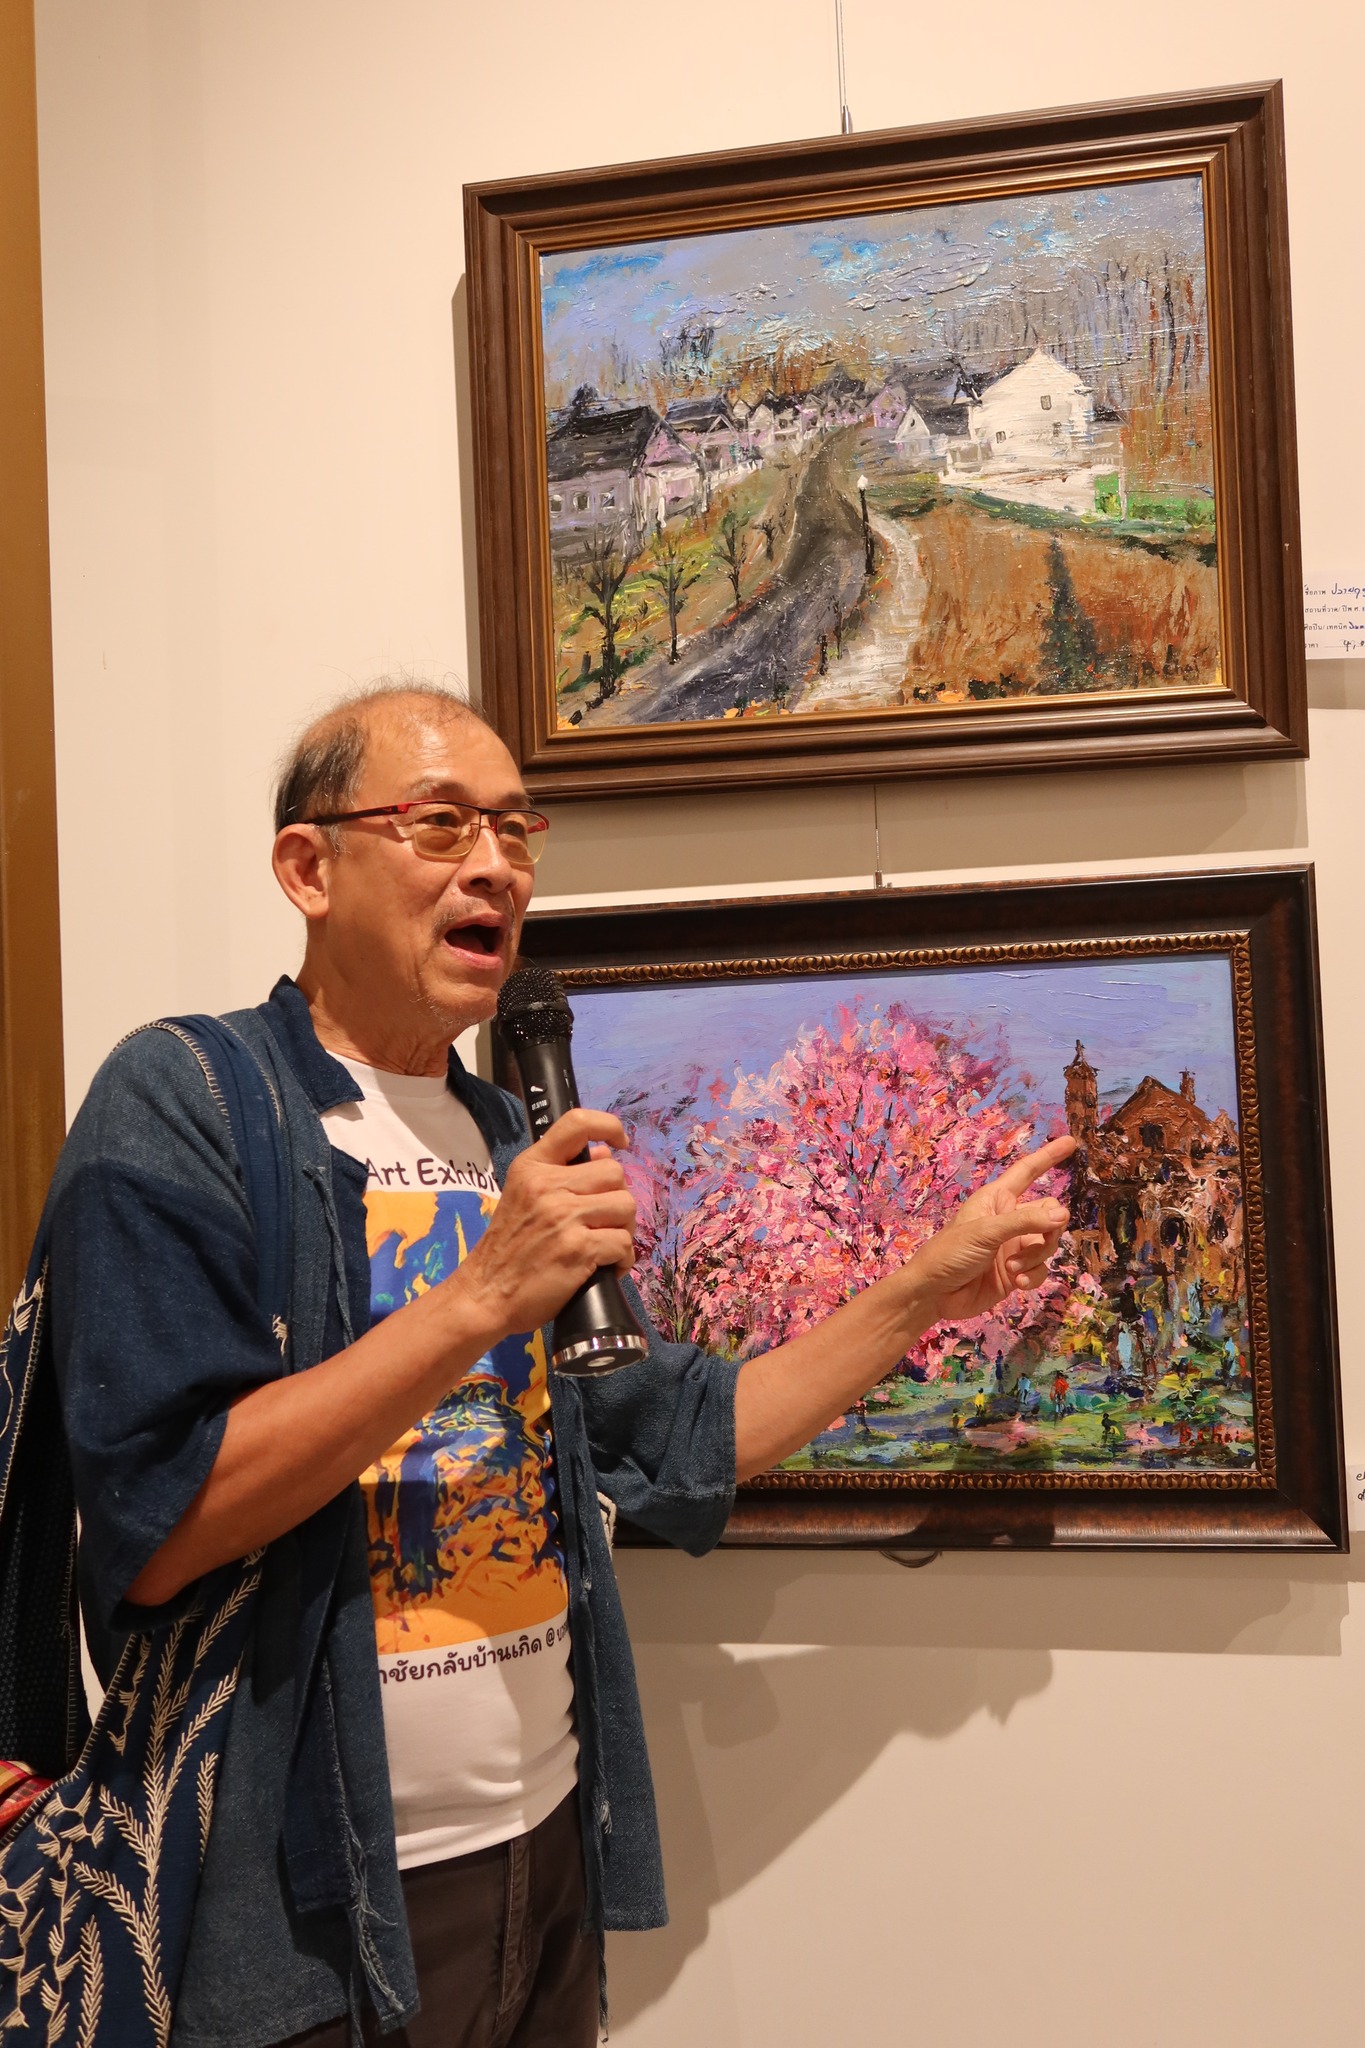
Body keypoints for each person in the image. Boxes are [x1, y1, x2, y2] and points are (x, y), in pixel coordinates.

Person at [35, 682, 1072, 2047]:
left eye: (518, 829)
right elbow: (160, 1525)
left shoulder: (511, 1137)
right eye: (440, 823)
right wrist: (478, 1299)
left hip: (544, 1853)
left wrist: (930, 1285)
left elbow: (688, 1433)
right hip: (302, 1905)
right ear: (308, 868)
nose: (497, 866)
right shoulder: (190, 1098)